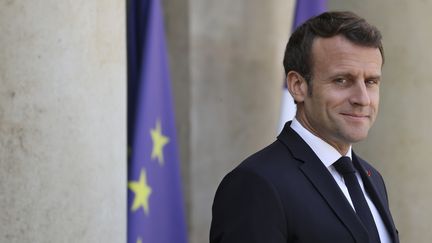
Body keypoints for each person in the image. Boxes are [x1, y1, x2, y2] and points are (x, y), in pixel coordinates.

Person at [210, 11, 399, 243]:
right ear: (298, 86)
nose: (363, 98)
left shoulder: (372, 178)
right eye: (341, 80)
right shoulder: (255, 185)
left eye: (371, 82)